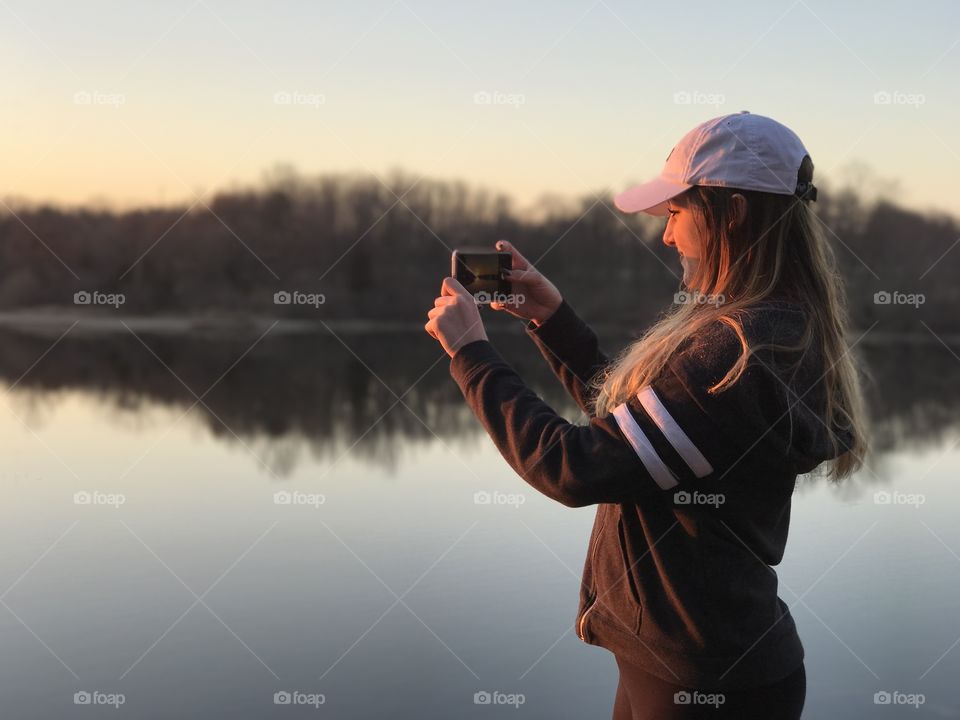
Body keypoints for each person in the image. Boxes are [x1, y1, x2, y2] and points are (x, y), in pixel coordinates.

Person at [423, 111, 869, 719]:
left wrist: (471, 355)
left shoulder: (743, 350)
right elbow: (635, 440)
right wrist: (553, 323)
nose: (666, 236)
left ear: (732, 213)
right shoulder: (758, 330)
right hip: (675, 663)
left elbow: (573, 468)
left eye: (677, 214)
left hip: (707, 683)